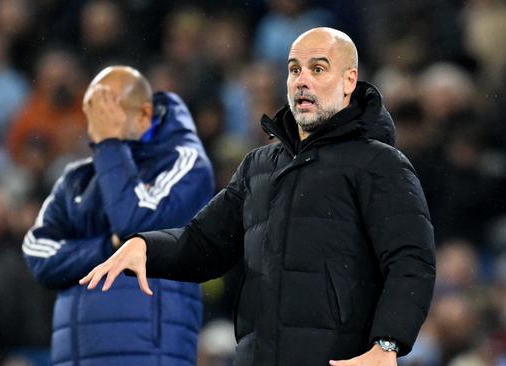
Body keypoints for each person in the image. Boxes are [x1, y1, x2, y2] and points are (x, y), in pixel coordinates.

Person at [81, 28, 436, 365]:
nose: (302, 80)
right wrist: (145, 245)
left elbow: (410, 261)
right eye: (294, 69)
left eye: (318, 69)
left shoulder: (379, 163)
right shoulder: (258, 165)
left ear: (348, 81)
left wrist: (388, 344)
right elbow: (203, 244)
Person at [23, 65, 214, 366]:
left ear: (143, 114)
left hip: (148, 353)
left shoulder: (185, 163)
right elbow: (39, 256)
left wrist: (109, 143)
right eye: (92, 112)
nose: (95, 126)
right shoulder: (77, 178)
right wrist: (109, 247)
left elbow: (134, 227)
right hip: (76, 355)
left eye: (107, 110)